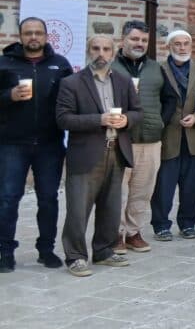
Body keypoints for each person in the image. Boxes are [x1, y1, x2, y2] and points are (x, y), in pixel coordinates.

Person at [56, 35, 140, 277]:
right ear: (88, 51)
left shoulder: (123, 81)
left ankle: (104, 251)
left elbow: (138, 111)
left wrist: (126, 120)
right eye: (95, 48)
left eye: (106, 49)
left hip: (117, 150)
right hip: (85, 154)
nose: (101, 53)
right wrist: (99, 120)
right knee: (78, 210)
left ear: (113, 53)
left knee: (111, 208)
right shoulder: (71, 83)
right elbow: (63, 119)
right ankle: (75, 256)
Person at [0, 17, 73, 272]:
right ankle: (5, 252)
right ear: (20, 36)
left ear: (46, 36)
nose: (33, 37)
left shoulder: (60, 65)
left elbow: (70, 100)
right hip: (11, 143)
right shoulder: (4, 63)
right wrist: (8, 95)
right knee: (7, 199)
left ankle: (46, 250)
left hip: (49, 144)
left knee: (49, 199)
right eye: (28, 33)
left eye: (38, 33)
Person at [111, 20, 177, 254]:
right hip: (118, 139)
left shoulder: (155, 68)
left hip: (150, 140)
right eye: (134, 39)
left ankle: (133, 232)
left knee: (142, 190)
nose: (139, 43)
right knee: (117, 191)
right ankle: (115, 234)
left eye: (144, 40)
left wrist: (161, 121)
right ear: (123, 39)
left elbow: (170, 98)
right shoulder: (110, 67)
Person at [152, 30, 195, 241]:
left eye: (186, 43)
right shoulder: (158, 69)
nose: (182, 48)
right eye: (177, 44)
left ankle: (188, 224)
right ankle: (161, 225)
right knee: (164, 185)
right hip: (168, 135)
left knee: (192, 185)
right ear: (169, 46)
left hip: (194, 135)